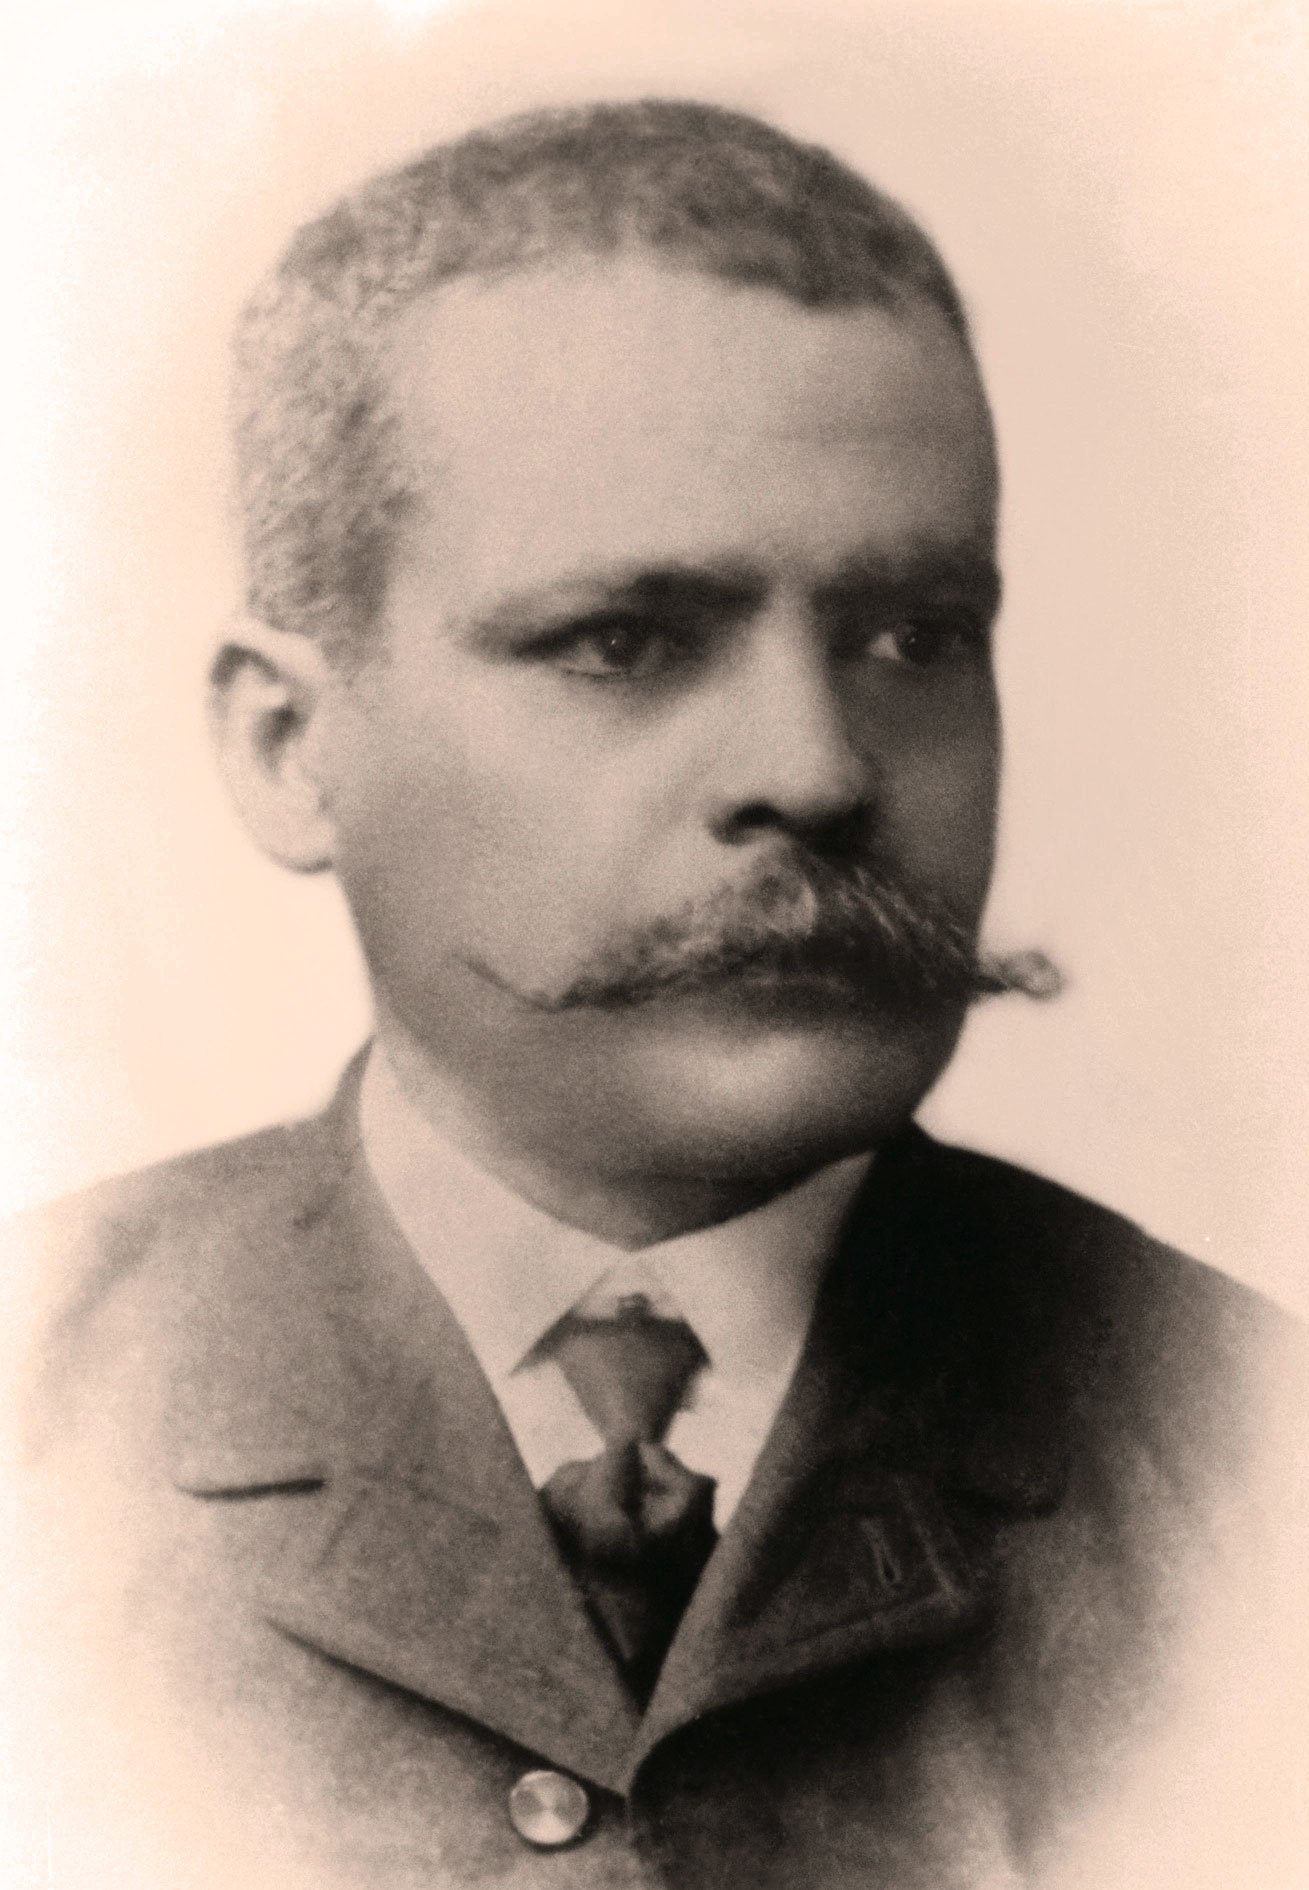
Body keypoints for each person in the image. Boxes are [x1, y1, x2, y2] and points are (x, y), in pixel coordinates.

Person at [8, 98, 1302, 1890]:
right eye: (622, 641)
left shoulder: (1258, 1469)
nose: (816, 767)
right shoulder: (36, 1425)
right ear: (291, 746)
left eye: (914, 637)